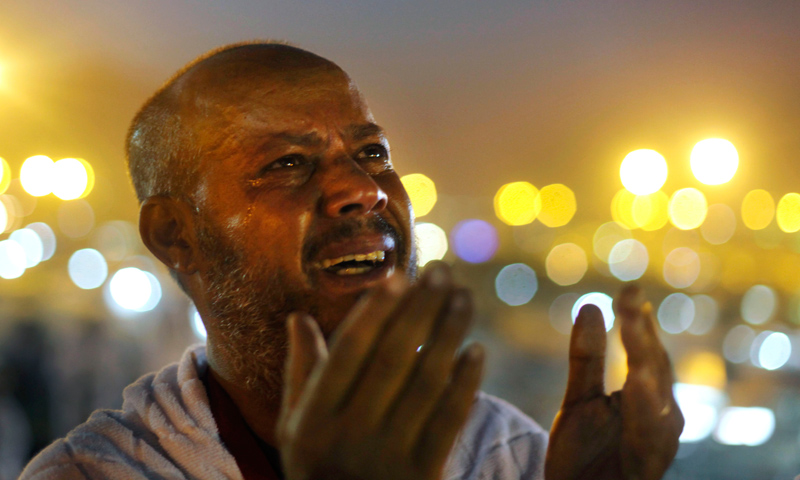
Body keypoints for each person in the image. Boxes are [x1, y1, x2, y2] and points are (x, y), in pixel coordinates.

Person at [20, 42, 683, 480]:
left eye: (372, 154)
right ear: (175, 235)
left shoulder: (504, 453)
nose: (361, 190)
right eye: (285, 164)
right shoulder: (95, 472)